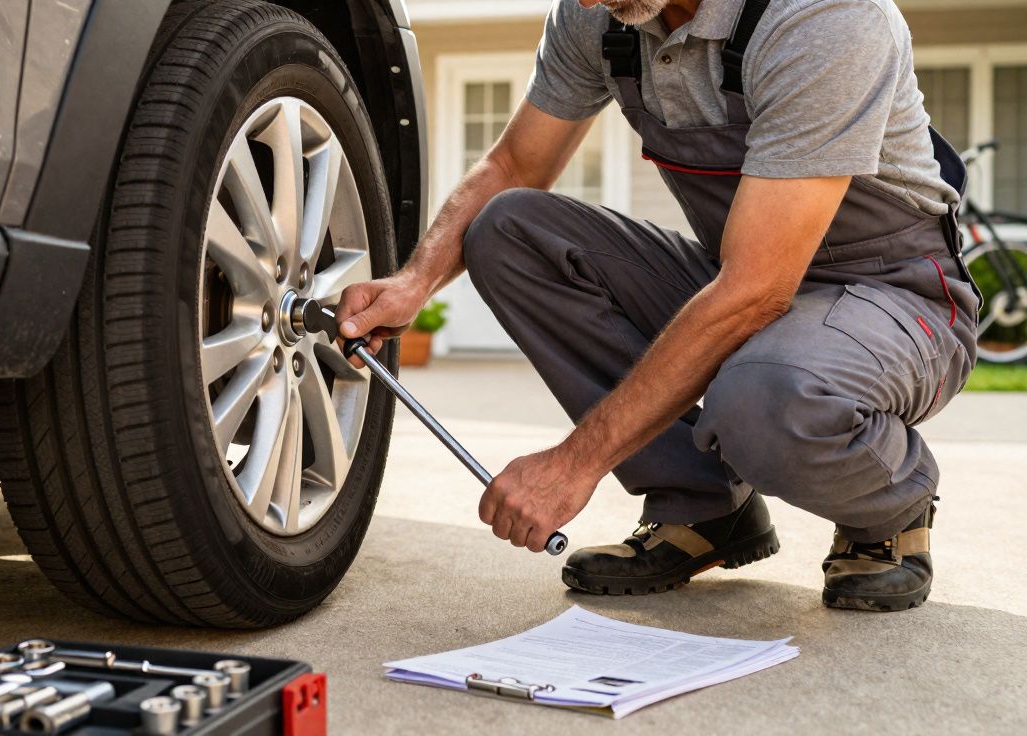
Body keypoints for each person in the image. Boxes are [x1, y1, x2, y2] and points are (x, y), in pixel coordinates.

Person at [334, 0, 980, 612]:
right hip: (739, 270)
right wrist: (415, 281)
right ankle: (701, 507)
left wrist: (572, 465)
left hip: (893, 292)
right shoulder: (599, 17)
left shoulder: (822, 19)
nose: (585, 4)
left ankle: (890, 504)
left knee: (763, 399)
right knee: (508, 232)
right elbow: (512, 164)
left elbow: (757, 291)